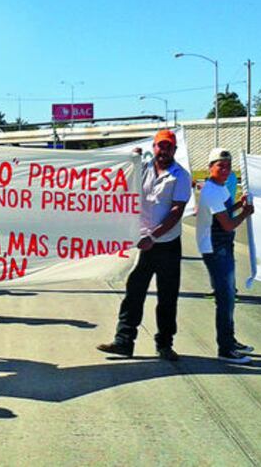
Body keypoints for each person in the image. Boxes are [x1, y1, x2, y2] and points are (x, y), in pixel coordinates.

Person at [97, 129, 190, 360]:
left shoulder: (181, 176)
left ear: (175, 150)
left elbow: (176, 211)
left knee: (167, 297)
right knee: (134, 293)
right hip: (141, 243)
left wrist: (154, 237)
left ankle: (165, 344)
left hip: (166, 243)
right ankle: (124, 341)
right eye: (160, 146)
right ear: (154, 148)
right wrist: (130, 161)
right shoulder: (143, 168)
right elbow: (121, 188)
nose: (164, 151)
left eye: (168, 147)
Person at [196, 148, 255, 364]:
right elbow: (228, 225)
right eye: (220, 165)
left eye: (228, 166)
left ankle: (230, 339)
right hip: (215, 248)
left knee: (229, 297)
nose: (225, 170)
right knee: (225, 298)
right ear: (210, 167)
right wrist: (246, 212)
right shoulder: (211, 191)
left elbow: (225, 212)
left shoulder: (220, 188)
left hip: (223, 247)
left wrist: (239, 204)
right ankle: (225, 348)